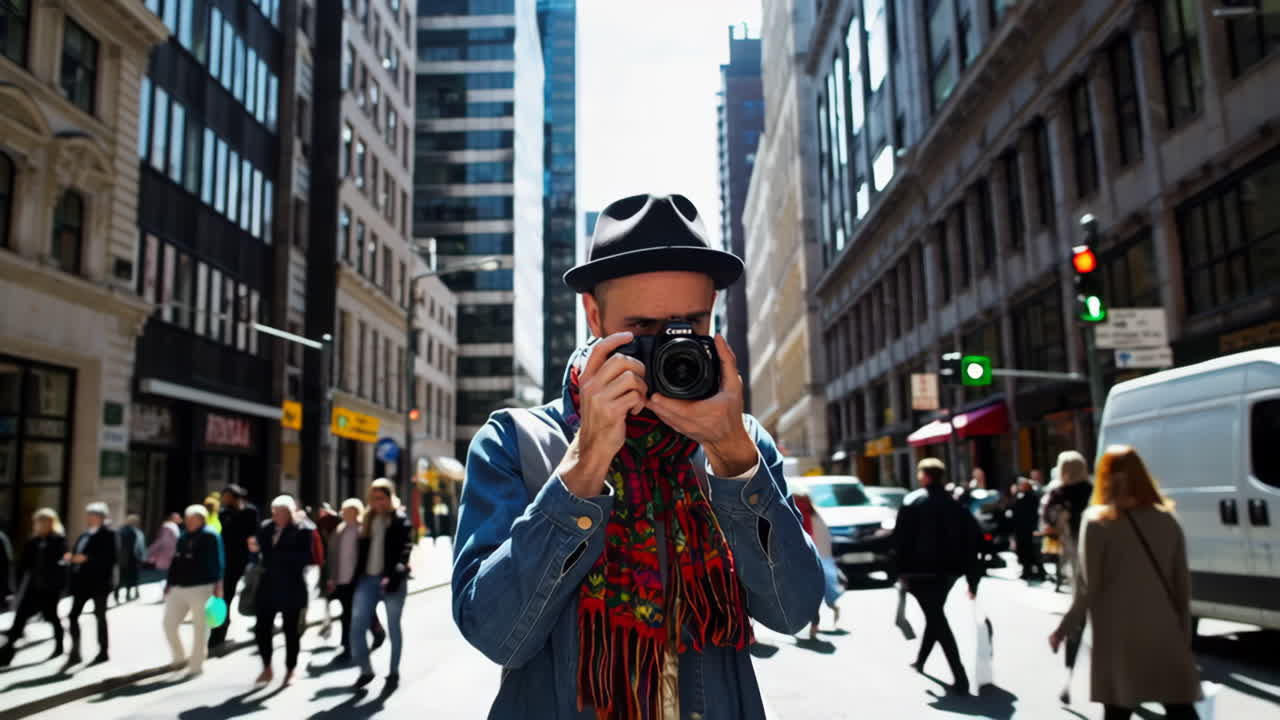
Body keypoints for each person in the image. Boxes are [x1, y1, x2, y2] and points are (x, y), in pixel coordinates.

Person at [454, 194, 823, 719]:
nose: (668, 348)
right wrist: (584, 463)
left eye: (689, 325)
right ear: (594, 314)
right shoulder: (517, 442)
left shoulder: (739, 446)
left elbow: (792, 611)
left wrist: (733, 457)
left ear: (712, 314)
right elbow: (497, 637)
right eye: (644, 330)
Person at [1049, 445, 1201, 720]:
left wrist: (1064, 626)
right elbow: (1182, 587)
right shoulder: (1167, 519)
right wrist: (1183, 635)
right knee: (1179, 708)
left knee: (1117, 709)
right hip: (1163, 630)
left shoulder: (1097, 523)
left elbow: (1087, 588)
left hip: (1117, 634)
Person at [894, 458, 983, 695]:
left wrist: (898, 572)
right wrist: (973, 579)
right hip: (949, 572)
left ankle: (960, 677)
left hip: (920, 572)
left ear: (925, 476)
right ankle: (922, 661)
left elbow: (900, 541)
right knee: (935, 615)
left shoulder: (913, 502)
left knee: (936, 618)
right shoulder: (956, 505)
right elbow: (973, 541)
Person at [350, 478, 413, 689]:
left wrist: (398, 570)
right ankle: (365, 670)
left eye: (381, 498)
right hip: (367, 579)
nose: (377, 502)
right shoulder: (366, 519)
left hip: (392, 581)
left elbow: (406, 548)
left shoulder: (399, 519)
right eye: (373, 498)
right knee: (357, 626)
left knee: (394, 626)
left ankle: (393, 671)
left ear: (389, 497)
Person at [250, 495, 315, 685]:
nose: (277, 516)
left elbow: (304, 559)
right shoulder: (265, 528)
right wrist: (255, 551)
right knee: (261, 628)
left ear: (290, 513)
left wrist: (276, 557)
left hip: (291, 586)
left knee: (291, 630)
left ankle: (290, 669)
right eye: (275, 512)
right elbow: (258, 552)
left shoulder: (302, 530)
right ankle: (267, 667)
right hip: (268, 585)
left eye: (281, 513)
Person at [0, 509, 68, 666]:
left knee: (52, 617)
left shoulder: (58, 541)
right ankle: (6, 654)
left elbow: (63, 566)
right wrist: (14, 588)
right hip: (33, 589)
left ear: (50, 523)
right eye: (37, 522)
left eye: (41, 522)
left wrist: (59, 586)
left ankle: (59, 646)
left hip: (50, 590)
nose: (38, 525)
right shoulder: (32, 542)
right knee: (20, 619)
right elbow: (23, 566)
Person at [163, 505, 224, 678]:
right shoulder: (183, 536)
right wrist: (169, 584)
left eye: (192, 519)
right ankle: (179, 657)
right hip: (179, 587)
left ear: (201, 519)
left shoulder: (211, 536)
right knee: (169, 624)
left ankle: (196, 664)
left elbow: (218, 562)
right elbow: (175, 561)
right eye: (187, 518)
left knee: (200, 626)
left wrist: (218, 587)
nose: (188, 522)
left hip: (202, 587)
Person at [325, 498, 386, 664]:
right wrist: (331, 578)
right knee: (347, 614)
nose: (344, 514)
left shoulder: (363, 530)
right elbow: (332, 557)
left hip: (359, 579)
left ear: (356, 512)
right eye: (343, 512)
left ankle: (371, 634)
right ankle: (349, 646)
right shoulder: (339, 531)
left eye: (348, 512)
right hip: (342, 579)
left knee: (358, 613)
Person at [65, 502, 117, 666]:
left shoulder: (109, 535)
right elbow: (77, 554)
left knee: (99, 617)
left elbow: (112, 558)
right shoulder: (84, 535)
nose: (89, 518)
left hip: (99, 583)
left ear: (101, 518)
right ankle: (76, 651)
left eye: (93, 515)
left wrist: (87, 558)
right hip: (82, 583)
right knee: (73, 616)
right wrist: (72, 558)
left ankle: (103, 651)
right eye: (88, 515)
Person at [209, 484, 258, 648]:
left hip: (239, 561)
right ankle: (216, 632)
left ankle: (219, 632)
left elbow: (251, 533)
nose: (224, 500)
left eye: (227, 496)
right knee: (220, 597)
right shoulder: (224, 513)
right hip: (222, 559)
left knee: (227, 595)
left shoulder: (250, 512)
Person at [793, 486, 842, 640]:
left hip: (807, 561)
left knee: (804, 595)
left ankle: (811, 623)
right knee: (816, 595)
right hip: (821, 561)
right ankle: (816, 623)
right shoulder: (816, 515)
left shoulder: (799, 514)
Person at [1011, 477, 1044, 580]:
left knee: (1029, 551)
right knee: (1031, 551)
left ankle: (1031, 571)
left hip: (1026, 529)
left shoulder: (1025, 498)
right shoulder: (1033, 497)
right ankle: (1034, 571)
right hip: (1028, 528)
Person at [115, 515, 146, 603]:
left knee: (121, 577)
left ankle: (117, 594)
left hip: (122, 558)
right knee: (131, 577)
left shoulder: (120, 530)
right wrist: (142, 557)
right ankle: (128, 594)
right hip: (132, 558)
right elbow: (139, 546)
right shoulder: (136, 532)